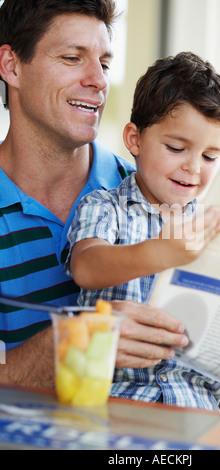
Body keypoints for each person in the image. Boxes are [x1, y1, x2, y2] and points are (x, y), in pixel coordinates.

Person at [0, 0, 205, 389]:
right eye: (72, 57)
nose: (98, 80)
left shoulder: (161, 192)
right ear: (11, 65)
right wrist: (77, 343)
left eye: (105, 63)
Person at [66, 52, 220, 409]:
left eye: (210, 157)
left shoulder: (214, 224)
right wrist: (160, 251)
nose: (193, 168)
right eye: (176, 148)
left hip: (196, 413)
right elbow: (87, 266)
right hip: (115, 406)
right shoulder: (105, 206)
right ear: (135, 140)